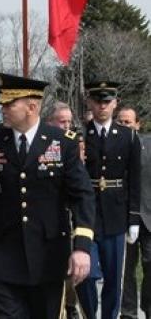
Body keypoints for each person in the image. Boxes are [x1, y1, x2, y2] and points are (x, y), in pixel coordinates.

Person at [0, 73, 95, 318]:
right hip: (4, 257)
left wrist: (81, 247)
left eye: (9, 104)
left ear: (32, 106)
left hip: (48, 258)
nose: (3, 109)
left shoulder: (62, 143)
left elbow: (82, 195)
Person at [76, 82, 141, 319]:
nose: (102, 106)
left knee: (114, 278)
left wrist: (133, 217)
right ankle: (90, 315)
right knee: (86, 274)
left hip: (116, 214)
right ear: (90, 103)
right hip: (87, 215)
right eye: (97, 101)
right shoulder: (79, 135)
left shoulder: (128, 136)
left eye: (107, 101)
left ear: (115, 103)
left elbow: (134, 179)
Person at [46, 100, 82, 319]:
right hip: (49, 216)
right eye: (62, 122)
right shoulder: (43, 143)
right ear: (50, 122)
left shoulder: (72, 144)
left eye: (69, 122)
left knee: (69, 264)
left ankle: (70, 304)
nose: (67, 126)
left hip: (68, 213)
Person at [117, 107, 150, 319]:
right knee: (126, 270)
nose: (124, 126)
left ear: (138, 124)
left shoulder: (148, 144)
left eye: (128, 122)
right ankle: (128, 313)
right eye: (120, 122)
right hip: (123, 217)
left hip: (148, 217)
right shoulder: (111, 148)